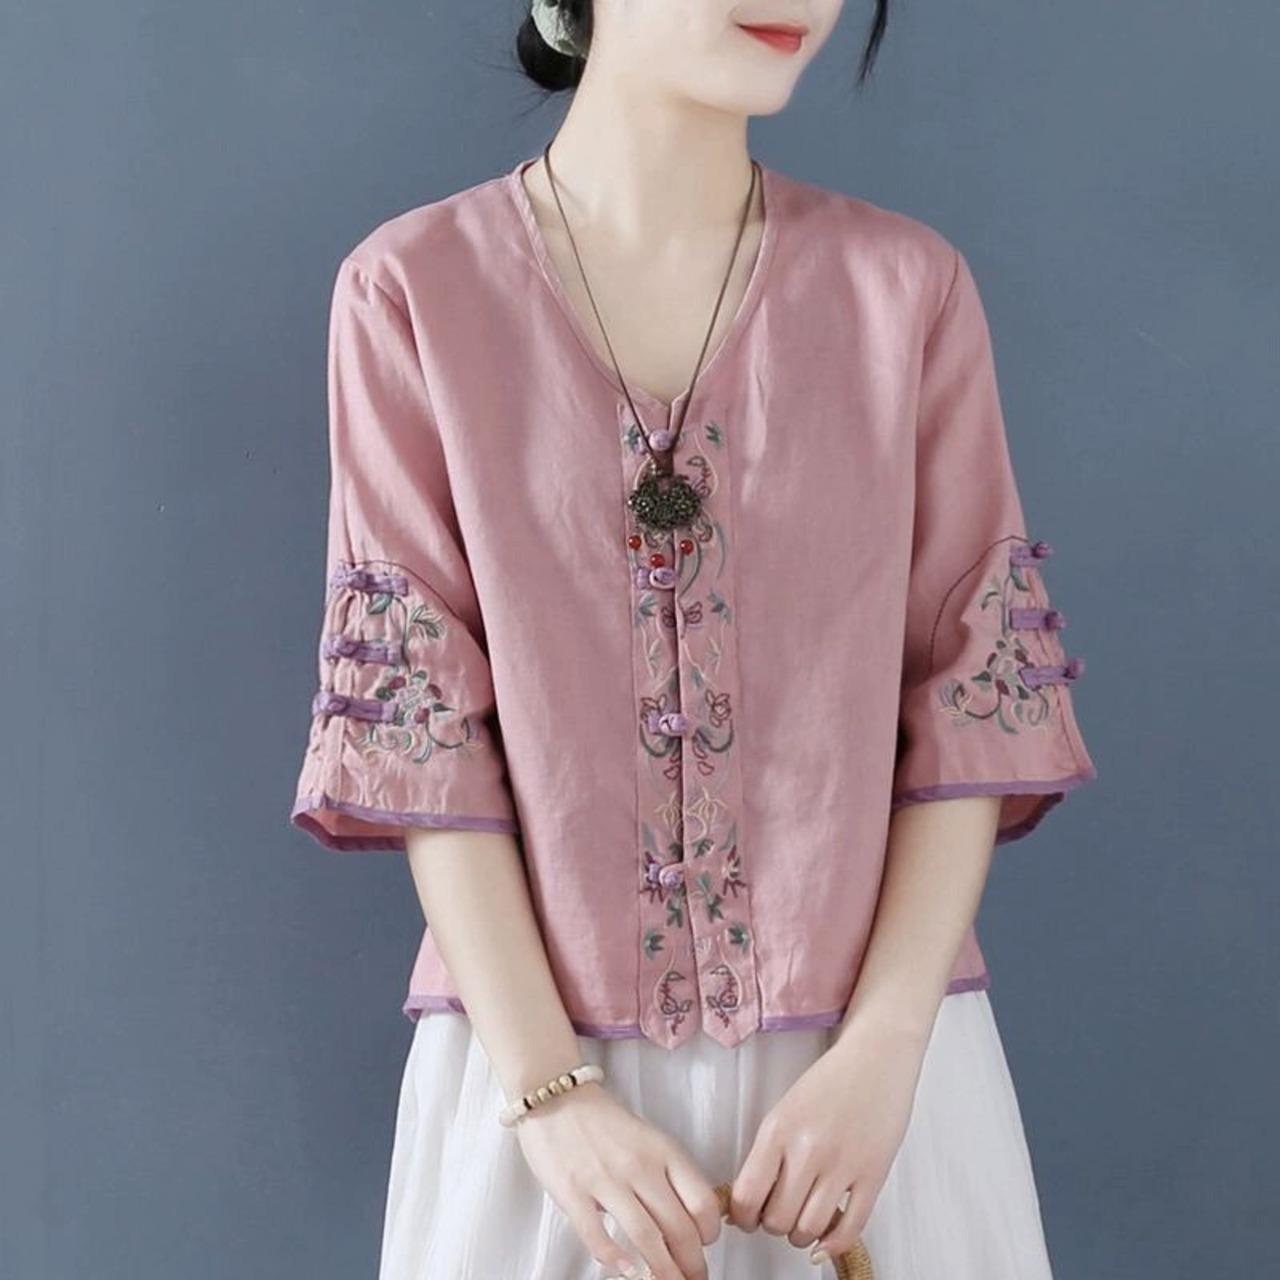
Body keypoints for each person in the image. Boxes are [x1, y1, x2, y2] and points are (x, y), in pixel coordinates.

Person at [288, 2, 1098, 1277]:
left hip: (868, 1099)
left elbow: (971, 700)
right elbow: (422, 734)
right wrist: (551, 1098)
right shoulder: (411, 292)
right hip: (542, 1094)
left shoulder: (903, 291)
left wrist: (886, 1053)